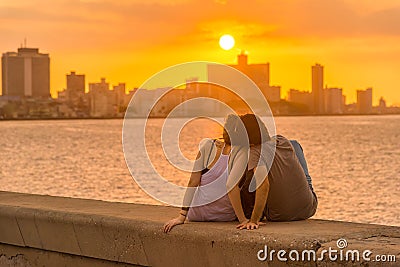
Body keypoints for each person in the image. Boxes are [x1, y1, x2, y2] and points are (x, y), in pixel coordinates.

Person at [227, 114, 318, 230]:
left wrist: (254, 220)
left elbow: (263, 186)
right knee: (295, 144)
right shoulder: (282, 140)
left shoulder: (254, 153)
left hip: (279, 215)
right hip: (308, 208)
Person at [163, 115, 240, 233]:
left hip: (197, 213)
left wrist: (181, 217)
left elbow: (193, 182)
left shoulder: (208, 147)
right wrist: (244, 220)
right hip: (225, 216)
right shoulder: (242, 153)